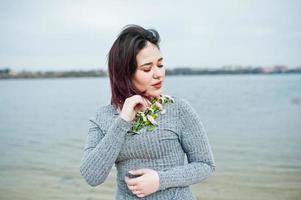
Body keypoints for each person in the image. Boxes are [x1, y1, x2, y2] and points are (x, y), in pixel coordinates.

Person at [80, 24, 216, 199]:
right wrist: (123, 121)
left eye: (160, 65)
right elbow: (92, 177)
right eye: (147, 68)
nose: (158, 74)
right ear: (124, 74)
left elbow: (205, 165)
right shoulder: (104, 117)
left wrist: (161, 180)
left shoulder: (178, 109)